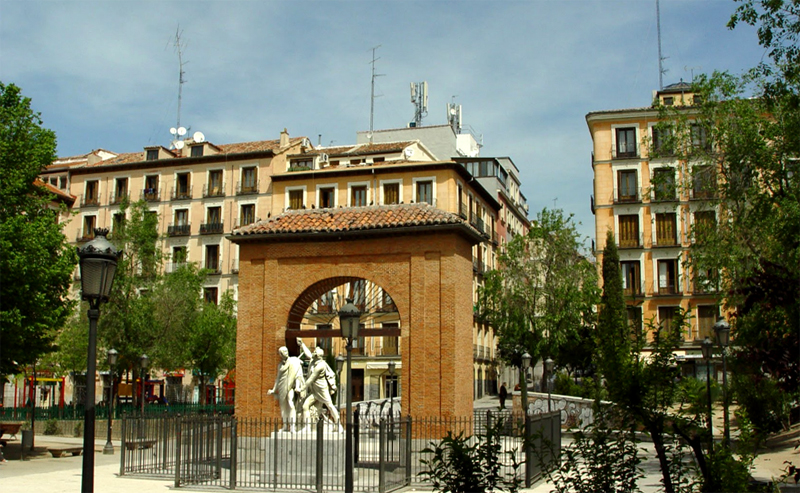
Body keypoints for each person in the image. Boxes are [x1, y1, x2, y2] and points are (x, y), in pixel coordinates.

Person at [298, 339, 341, 431]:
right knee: (305, 406)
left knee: (330, 406)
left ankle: (338, 425)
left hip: (322, 390)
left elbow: (310, 379)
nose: (313, 353)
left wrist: (302, 389)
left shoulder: (321, 365)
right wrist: (302, 345)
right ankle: (307, 427)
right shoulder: (313, 361)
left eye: (314, 352)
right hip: (314, 391)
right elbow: (308, 354)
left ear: (317, 356)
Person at [267, 346, 305, 432]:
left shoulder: (293, 361)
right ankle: (285, 425)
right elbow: (278, 378)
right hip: (282, 386)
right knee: (283, 407)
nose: (286, 352)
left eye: (286, 351)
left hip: (290, 386)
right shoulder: (280, 365)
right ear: (280, 354)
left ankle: (292, 426)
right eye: (284, 351)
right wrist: (274, 389)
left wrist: (297, 386)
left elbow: (298, 374)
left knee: (291, 403)